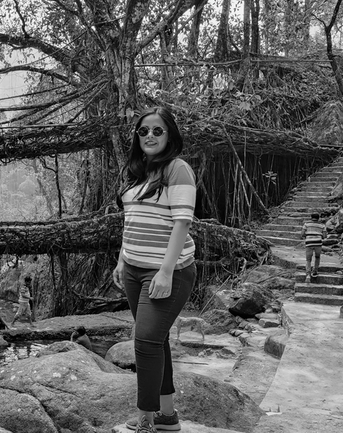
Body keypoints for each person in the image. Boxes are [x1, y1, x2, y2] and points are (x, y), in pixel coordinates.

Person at [113, 106, 196, 433]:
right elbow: (130, 222)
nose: (149, 135)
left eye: (157, 130)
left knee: (145, 341)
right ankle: (167, 416)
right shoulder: (138, 172)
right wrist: (121, 260)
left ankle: (145, 421)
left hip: (167, 272)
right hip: (133, 269)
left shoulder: (178, 169)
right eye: (143, 130)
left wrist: (165, 271)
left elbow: (182, 222)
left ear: (170, 135)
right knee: (156, 340)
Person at [301, 213, 327, 282]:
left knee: (308, 259)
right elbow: (324, 236)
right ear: (318, 218)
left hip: (309, 243)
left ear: (311, 217)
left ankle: (308, 275)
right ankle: (315, 271)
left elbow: (302, 234)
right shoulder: (322, 225)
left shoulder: (306, 224)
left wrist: (308, 235)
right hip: (318, 243)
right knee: (317, 257)